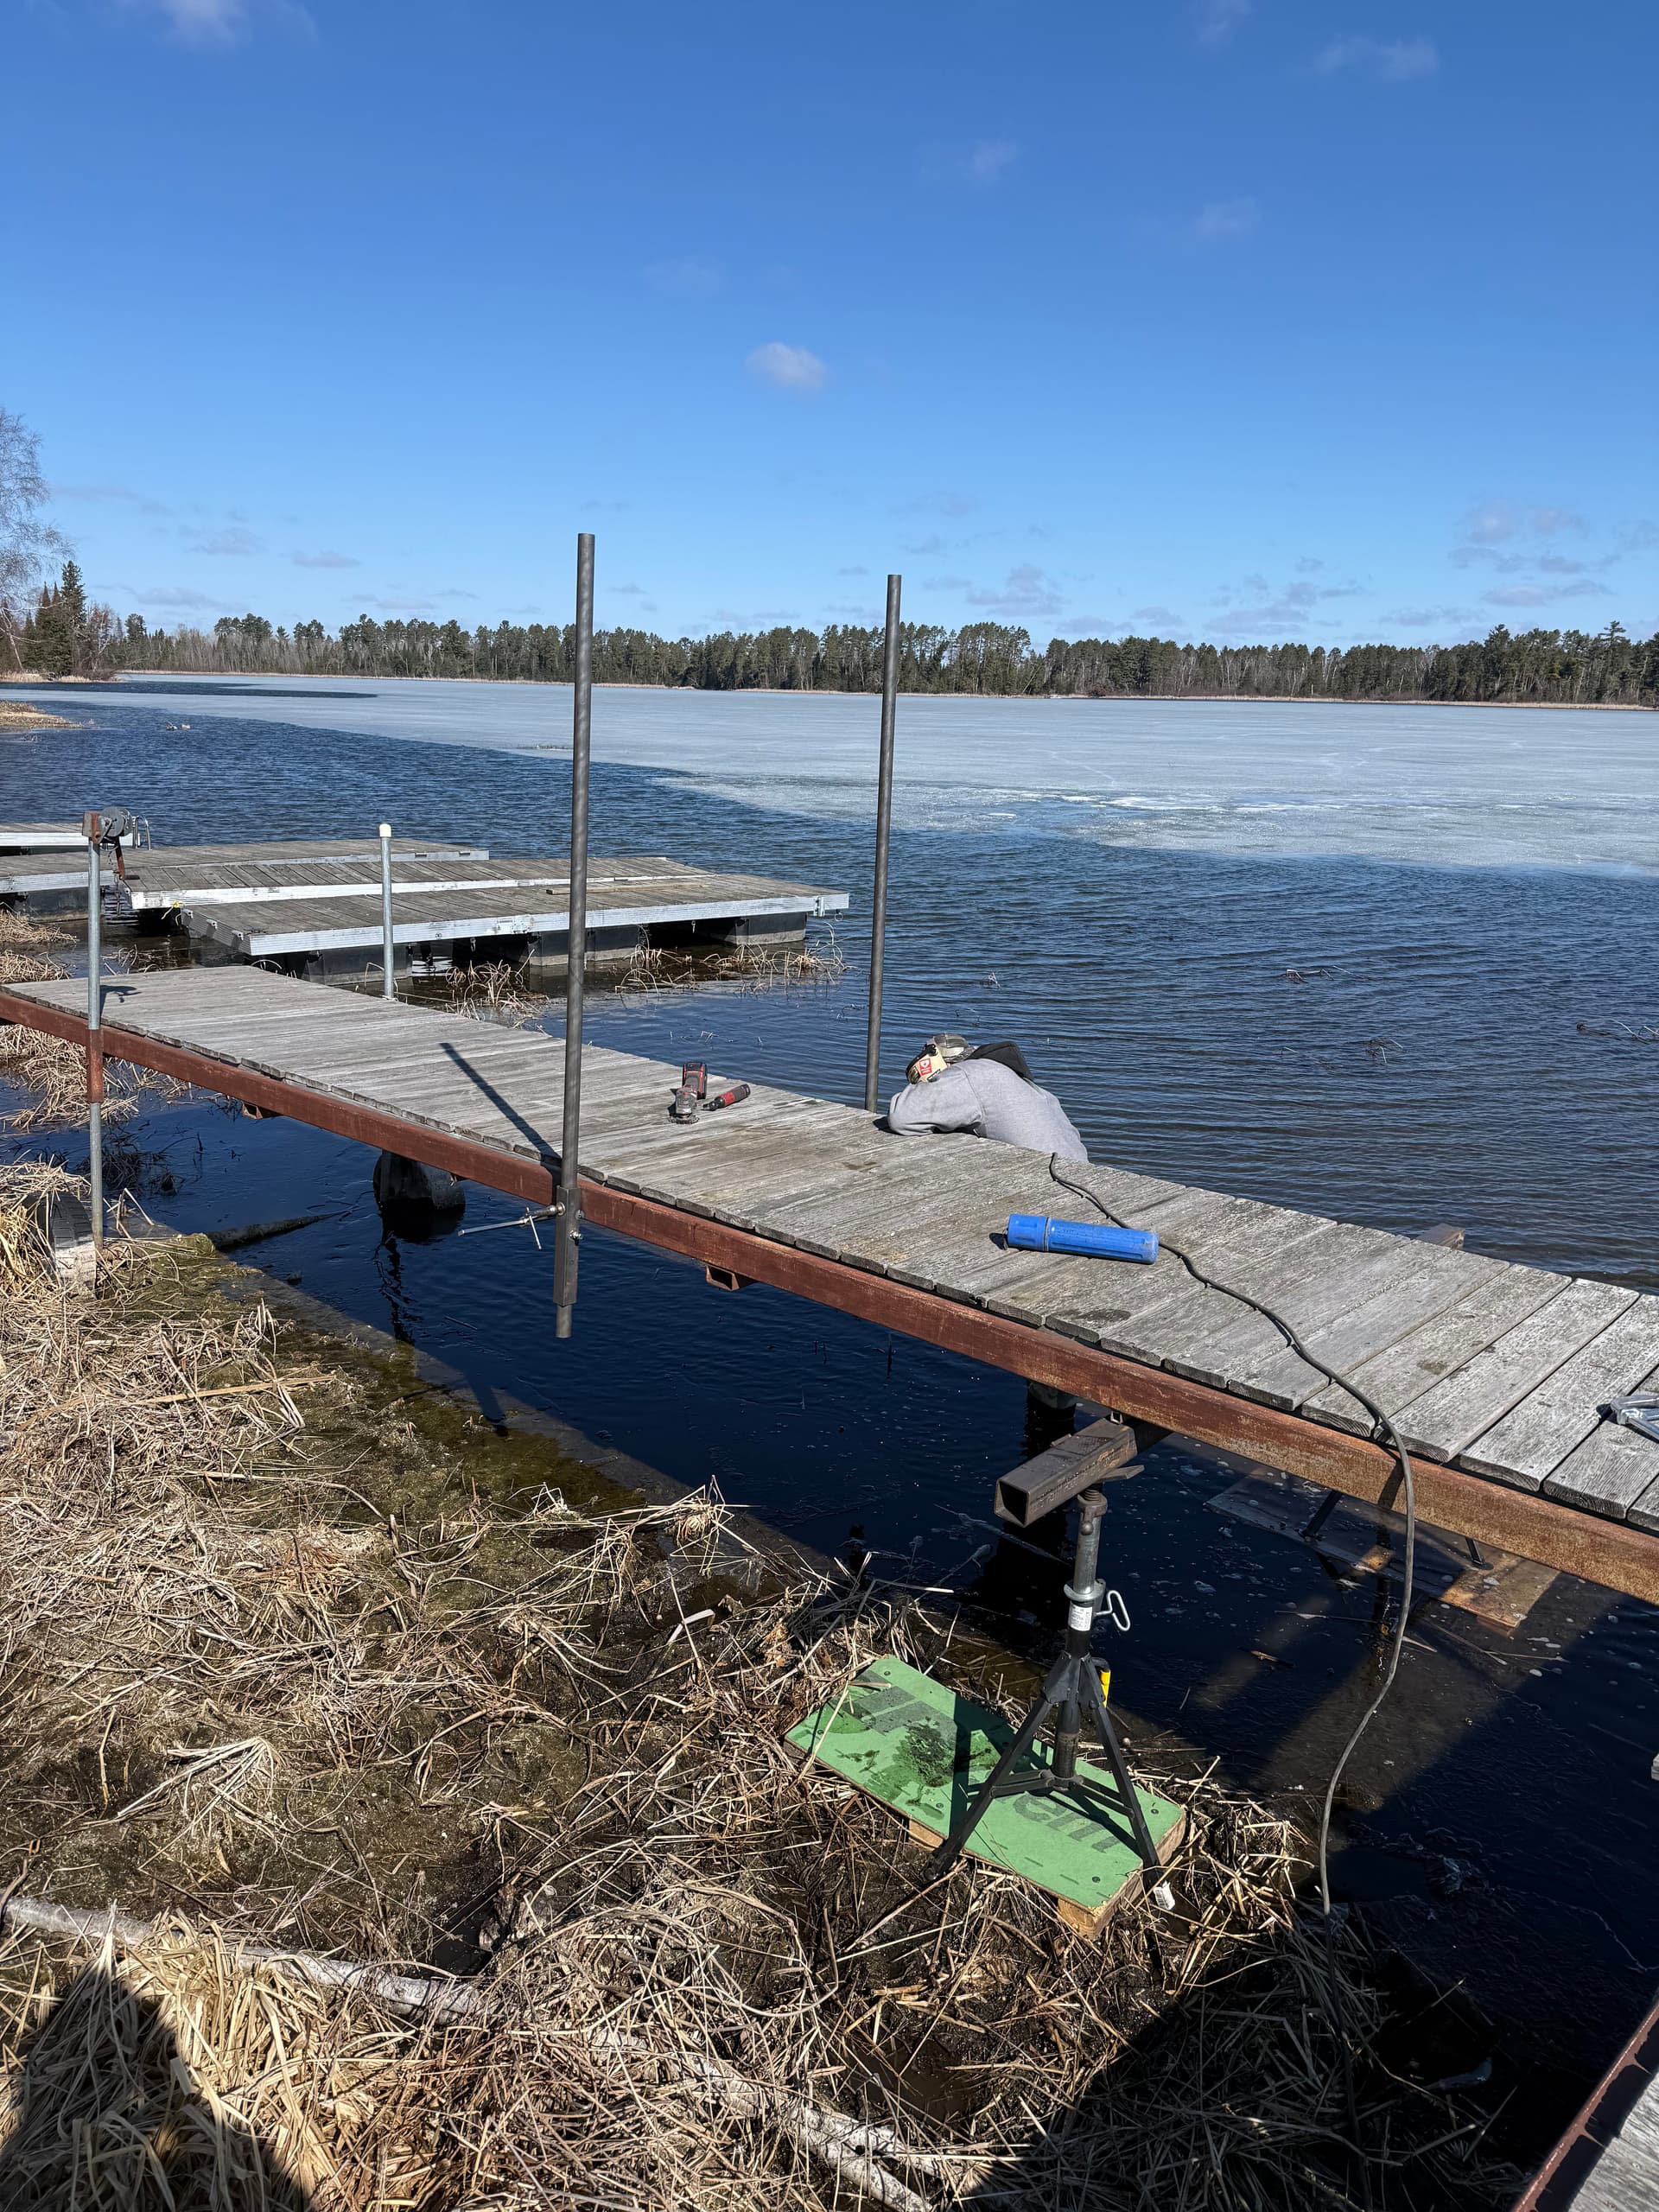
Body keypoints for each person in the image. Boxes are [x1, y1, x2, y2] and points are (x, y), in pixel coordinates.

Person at [886, 1034, 1089, 1162]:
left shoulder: (968, 1074)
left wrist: (924, 1085)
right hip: (1084, 1180)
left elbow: (901, 1116)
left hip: (1047, 1189)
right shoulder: (1030, 1087)